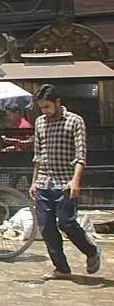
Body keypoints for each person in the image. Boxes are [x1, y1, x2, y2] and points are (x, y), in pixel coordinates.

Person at [30, 84, 101, 280]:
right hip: (44, 181)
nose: (44, 111)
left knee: (66, 223)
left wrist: (75, 180)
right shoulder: (39, 123)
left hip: (65, 182)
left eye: (47, 107)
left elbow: (80, 155)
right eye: (41, 108)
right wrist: (34, 181)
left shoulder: (74, 121)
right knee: (46, 227)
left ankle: (91, 251)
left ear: (57, 102)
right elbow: (38, 154)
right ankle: (61, 267)